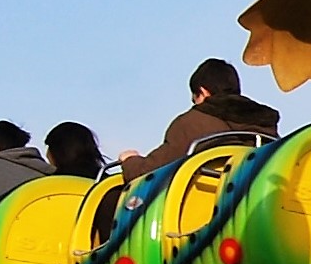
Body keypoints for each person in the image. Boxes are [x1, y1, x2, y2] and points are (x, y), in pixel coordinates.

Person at [118, 58, 281, 180]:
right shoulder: (266, 129)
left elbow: (149, 174)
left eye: (194, 98)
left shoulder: (192, 123)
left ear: (202, 92)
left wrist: (130, 161)